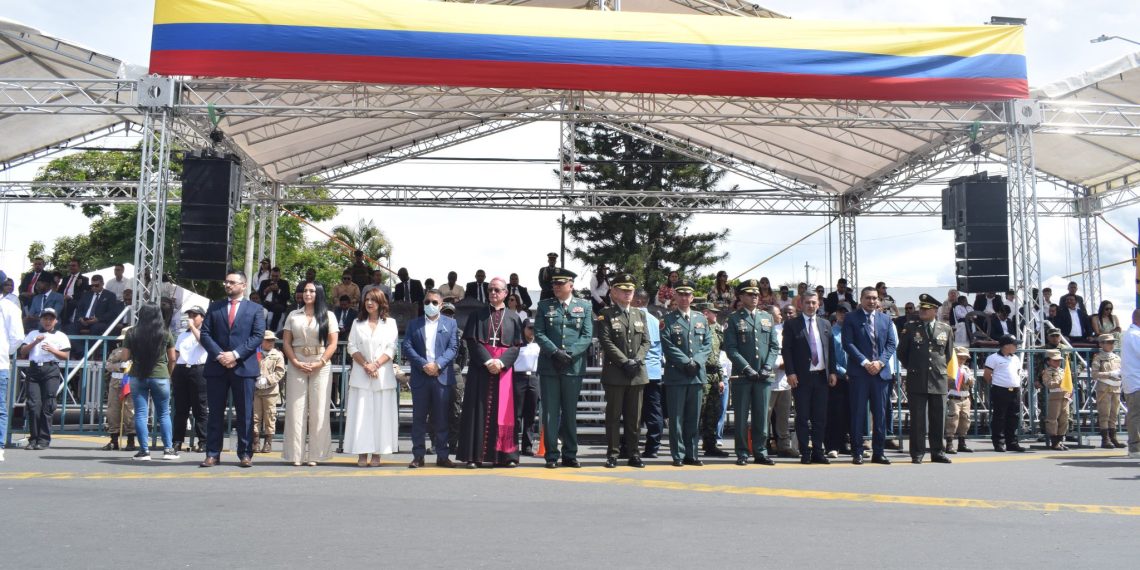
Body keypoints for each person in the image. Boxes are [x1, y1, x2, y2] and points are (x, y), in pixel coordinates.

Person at [199, 270, 267, 468]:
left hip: (243, 366)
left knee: (245, 412)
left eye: (232, 282)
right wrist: (220, 355)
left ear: (243, 285)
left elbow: (258, 335)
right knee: (215, 412)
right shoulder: (215, 306)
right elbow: (205, 334)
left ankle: (245, 453)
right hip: (217, 366)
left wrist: (235, 354)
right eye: (226, 282)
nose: (227, 285)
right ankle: (212, 453)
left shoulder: (255, 309)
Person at [458, 277, 524, 468]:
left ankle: (506, 456)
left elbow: (516, 346)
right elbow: (472, 341)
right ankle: (474, 456)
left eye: (497, 290)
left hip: (503, 371)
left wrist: (501, 363)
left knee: (504, 412)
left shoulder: (513, 317)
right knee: (476, 411)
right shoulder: (476, 315)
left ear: (505, 293)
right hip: (481, 369)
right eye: (490, 290)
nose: (493, 293)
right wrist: (488, 361)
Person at [534, 269, 593, 468]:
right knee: (550, 413)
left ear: (571, 285)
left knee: (570, 412)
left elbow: (587, 336)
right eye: (554, 284)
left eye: (561, 283)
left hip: (572, 366)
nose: (556, 287)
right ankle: (551, 455)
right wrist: (555, 352)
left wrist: (570, 354)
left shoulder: (584, 306)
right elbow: (539, 333)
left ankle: (570, 454)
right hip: (550, 365)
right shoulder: (544, 306)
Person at [597, 272, 651, 469]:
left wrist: (636, 360)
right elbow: (606, 341)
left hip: (636, 373)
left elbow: (646, 341)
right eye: (623, 290)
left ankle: (634, 453)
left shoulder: (640, 314)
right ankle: (613, 454)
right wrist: (624, 362)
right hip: (616, 373)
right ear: (613, 292)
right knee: (613, 417)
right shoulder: (606, 314)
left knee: (634, 418)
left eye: (630, 290)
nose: (628, 293)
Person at [281, 282, 338, 467]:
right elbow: (286, 342)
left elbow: (332, 343)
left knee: (319, 410)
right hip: (296, 361)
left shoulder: (328, 316)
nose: (307, 293)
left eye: (312, 291)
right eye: (305, 290)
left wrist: (320, 362)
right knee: (295, 409)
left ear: (319, 293)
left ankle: (316, 454)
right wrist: (295, 361)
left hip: (321, 363)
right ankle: (295, 455)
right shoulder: (293, 315)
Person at [403, 289, 460, 468]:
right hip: (421, 376)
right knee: (419, 419)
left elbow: (453, 348)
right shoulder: (414, 324)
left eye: (434, 302)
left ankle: (442, 455)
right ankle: (418, 455)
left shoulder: (451, 323)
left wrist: (438, 365)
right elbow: (407, 346)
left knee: (442, 418)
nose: (430, 305)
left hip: (441, 377)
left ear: (441, 305)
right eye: (427, 302)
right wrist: (423, 365)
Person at [895, 294, 953, 464]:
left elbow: (948, 354)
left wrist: (938, 369)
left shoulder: (945, 329)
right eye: (921, 308)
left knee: (938, 418)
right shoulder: (910, 327)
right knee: (918, 418)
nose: (922, 311)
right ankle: (917, 452)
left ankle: (937, 452)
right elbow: (902, 353)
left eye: (926, 309)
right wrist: (914, 366)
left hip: (938, 378)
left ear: (935, 311)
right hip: (917, 377)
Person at [344, 288, 399, 467]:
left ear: (381, 302)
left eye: (373, 300)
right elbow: (351, 347)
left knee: (380, 416)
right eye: (367, 299)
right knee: (361, 415)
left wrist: (376, 365)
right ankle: (361, 453)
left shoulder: (390, 323)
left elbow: (391, 348)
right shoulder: (357, 323)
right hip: (361, 374)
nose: (369, 303)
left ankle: (377, 453)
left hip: (382, 376)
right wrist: (366, 365)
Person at [660, 280, 713, 467]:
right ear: (675, 296)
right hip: (677, 375)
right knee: (676, 418)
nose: (684, 298)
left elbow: (707, 344)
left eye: (687, 294)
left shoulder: (701, 319)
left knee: (693, 417)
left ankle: (692, 453)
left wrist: (696, 362)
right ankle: (678, 455)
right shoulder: (667, 319)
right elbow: (667, 345)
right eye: (680, 294)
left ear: (692, 297)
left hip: (696, 375)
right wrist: (685, 362)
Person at [782, 290, 837, 464]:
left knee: (820, 418)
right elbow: (787, 350)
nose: (811, 306)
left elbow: (831, 350)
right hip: (801, 378)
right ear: (801, 304)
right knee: (802, 417)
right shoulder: (792, 324)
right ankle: (805, 452)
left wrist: (832, 371)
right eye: (807, 302)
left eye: (814, 302)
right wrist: (790, 372)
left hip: (821, 377)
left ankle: (818, 452)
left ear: (818, 304)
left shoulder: (825, 324)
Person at [842, 286, 896, 465]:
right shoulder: (851, 318)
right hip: (860, 373)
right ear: (861, 299)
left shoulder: (885, 319)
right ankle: (857, 452)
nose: (872, 301)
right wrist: (865, 363)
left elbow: (891, 344)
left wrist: (880, 362)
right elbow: (848, 343)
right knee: (858, 413)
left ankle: (878, 452)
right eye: (868, 298)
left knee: (880, 415)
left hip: (880, 374)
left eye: (874, 298)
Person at [121, 304, 177, 461]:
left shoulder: (132, 332)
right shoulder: (165, 333)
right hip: (160, 376)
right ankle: (168, 450)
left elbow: (125, 357)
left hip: (137, 376)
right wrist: (169, 375)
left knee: (140, 413)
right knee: (164, 413)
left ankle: (144, 451)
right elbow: (172, 358)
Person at [18, 307, 69, 450]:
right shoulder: (33, 333)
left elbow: (65, 356)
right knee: (33, 405)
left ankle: (44, 439)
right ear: (41, 320)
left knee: (48, 405)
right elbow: (23, 352)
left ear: (55, 321)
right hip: (34, 369)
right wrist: (35, 342)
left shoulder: (60, 336)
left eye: (50, 319)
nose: (47, 322)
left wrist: (53, 350)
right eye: (45, 319)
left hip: (50, 369)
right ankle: (33, 438)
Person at [172, 306, 209, 453]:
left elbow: (203, 342)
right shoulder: (183, 335)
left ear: (202, 318)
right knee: (181, 408)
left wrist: (193, 327)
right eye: (190, 315)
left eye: (195, 315)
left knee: (200, 407)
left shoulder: (205, 332)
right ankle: (177, 440)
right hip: (182, 369)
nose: (191, 318)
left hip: (198, 369)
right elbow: (176, 354)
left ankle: (203, 441)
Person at [633, 289, 665, 458]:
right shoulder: (655, 320)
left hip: (639, 370)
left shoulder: (636, 318)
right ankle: (653, 447)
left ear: (638, 301)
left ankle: (630, 446)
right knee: (653, 411)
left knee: (633, 411)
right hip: (653, 371)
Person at [698, 302, 730, 458]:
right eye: (713, 312)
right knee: (698, 411)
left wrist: (721, 378)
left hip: (714, 375)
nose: (716, 315)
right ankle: (689, 445)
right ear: (705, 313)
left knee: (713, 412)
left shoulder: (717, 330)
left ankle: (710, 444)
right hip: (700, 373)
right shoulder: (697, 328)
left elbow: (720, 354)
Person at [984, 334, 1025, 452]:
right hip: (1000, 390)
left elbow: (1017, 372)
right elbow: (987, 375)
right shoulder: (993, 358)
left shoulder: (1015, 358)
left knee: (1014, 417)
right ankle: (999, 443)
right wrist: (997, 384)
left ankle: (1012, 442)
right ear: (1006, 345)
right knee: (999, 417)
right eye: (1014, 344)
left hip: (1014, 390)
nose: (1016, 346)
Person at [769, 304, 798, 458]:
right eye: (783, 313)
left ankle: (784, 446)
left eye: (790, 313)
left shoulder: (795, 330)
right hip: (771, 379)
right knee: (765, 415)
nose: (786, 315)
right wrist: (779, 365)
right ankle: (762, 445)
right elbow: (769, 352)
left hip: (786, 381)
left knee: (784, 416)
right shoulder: (773, 331)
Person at [0, 287, 24, 461]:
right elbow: (17, 338)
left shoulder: (8, 307)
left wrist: (4, 352)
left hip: (0, 364)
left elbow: (17, 337)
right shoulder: (9, 307)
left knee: (0, 407)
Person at [253, 330, 285, 453]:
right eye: (268, 340)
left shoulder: (277, 355)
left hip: (270, 391)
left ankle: (268, 442)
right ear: (262, 341)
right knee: (255, 416)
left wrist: (267, 380)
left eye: (273, 340)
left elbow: (280, 372)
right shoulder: (255, 353)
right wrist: (254, 379)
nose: (271, 342)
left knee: (270, 416)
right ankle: (255, 442)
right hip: (256, 389)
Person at [825, 307, 851, 457]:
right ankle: (832, 445)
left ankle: (844, 443)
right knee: (835, 413)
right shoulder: (831, 332)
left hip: (853, 377)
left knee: (849, 412)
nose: (843, 315)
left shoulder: (853, 330)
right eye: (841, 312)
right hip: (838, 378)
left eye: (846, 312)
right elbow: (830, 357)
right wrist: (843, 372)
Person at [99, 346, 136, 452]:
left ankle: (131, 441)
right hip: (115, 381)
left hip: (129, 381)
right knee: (113, 411)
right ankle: (114, 440)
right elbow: (108, 365)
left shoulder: (137, 350)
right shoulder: (116, 351)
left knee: (129, 410)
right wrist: (119, 366)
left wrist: (131, 366)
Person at [1090, 334, 1124, 449]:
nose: (1111, 345)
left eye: (1112, 342)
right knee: (1105, 414)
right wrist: (1110, 374)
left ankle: (1113, 438)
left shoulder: (1117, 358)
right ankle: (1105, 439)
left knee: (1114, 414)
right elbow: (1094, 374)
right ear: (1101, 344)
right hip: (1104, 389)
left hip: (1116, 388)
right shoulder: (1098, 358)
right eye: (1108, 342)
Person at [513, 319, 541, 456]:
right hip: (519, 377)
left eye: (534, 328)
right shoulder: (517, 344)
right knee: (517, 414)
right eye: (529, 328)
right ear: (523, 329)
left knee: (530, 414)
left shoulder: (538, 345)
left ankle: (527, 446)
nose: (532, 331)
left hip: (533, 377)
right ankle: (513, 445)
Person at [945, 346, 975, 454]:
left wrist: (968, 378)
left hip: (965, 397)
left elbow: (972, 383)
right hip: (954, 397)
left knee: (965, 420)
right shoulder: (950, 368)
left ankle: (962, 443)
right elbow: (947, 382)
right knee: (953, 420)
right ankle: (949, 443)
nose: (962, 360)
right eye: (960, 357)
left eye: (964, 358)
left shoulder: (966, 369)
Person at [1039, 349, 1071, 451]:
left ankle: (1060, 440)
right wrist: (1060, 383)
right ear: (1048, 361)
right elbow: (1048, 384)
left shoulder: (1062, 371)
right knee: (1053, 419)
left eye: (1059, 360)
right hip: (1055, 397)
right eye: (1055, 360)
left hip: (1065, 397)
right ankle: (1054, 442)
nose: (1058, 362)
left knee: (1064, 419)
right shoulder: (1047, 372)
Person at [1121, 309, 1140, 459]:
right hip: (1136, 381)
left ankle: (1134, 447)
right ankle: (1135, 447)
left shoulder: (1130, 334)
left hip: (1133, 381)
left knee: (1135, 415)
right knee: (1135, 415)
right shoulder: (1135, 335)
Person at [257, 267, 291, 332]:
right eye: (273, 276)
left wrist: (278, 290)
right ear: (270, 275)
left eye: (276, 276)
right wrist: (266, 291)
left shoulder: (284, 283)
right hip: (266, 303)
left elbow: (287, 296)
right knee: (260, 309)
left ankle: (272, 330)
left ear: (280, 275)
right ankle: (262, 330)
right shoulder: (264, 282)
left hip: (278, 304)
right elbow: (259, 295)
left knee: (278, 308)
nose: (274, 278)